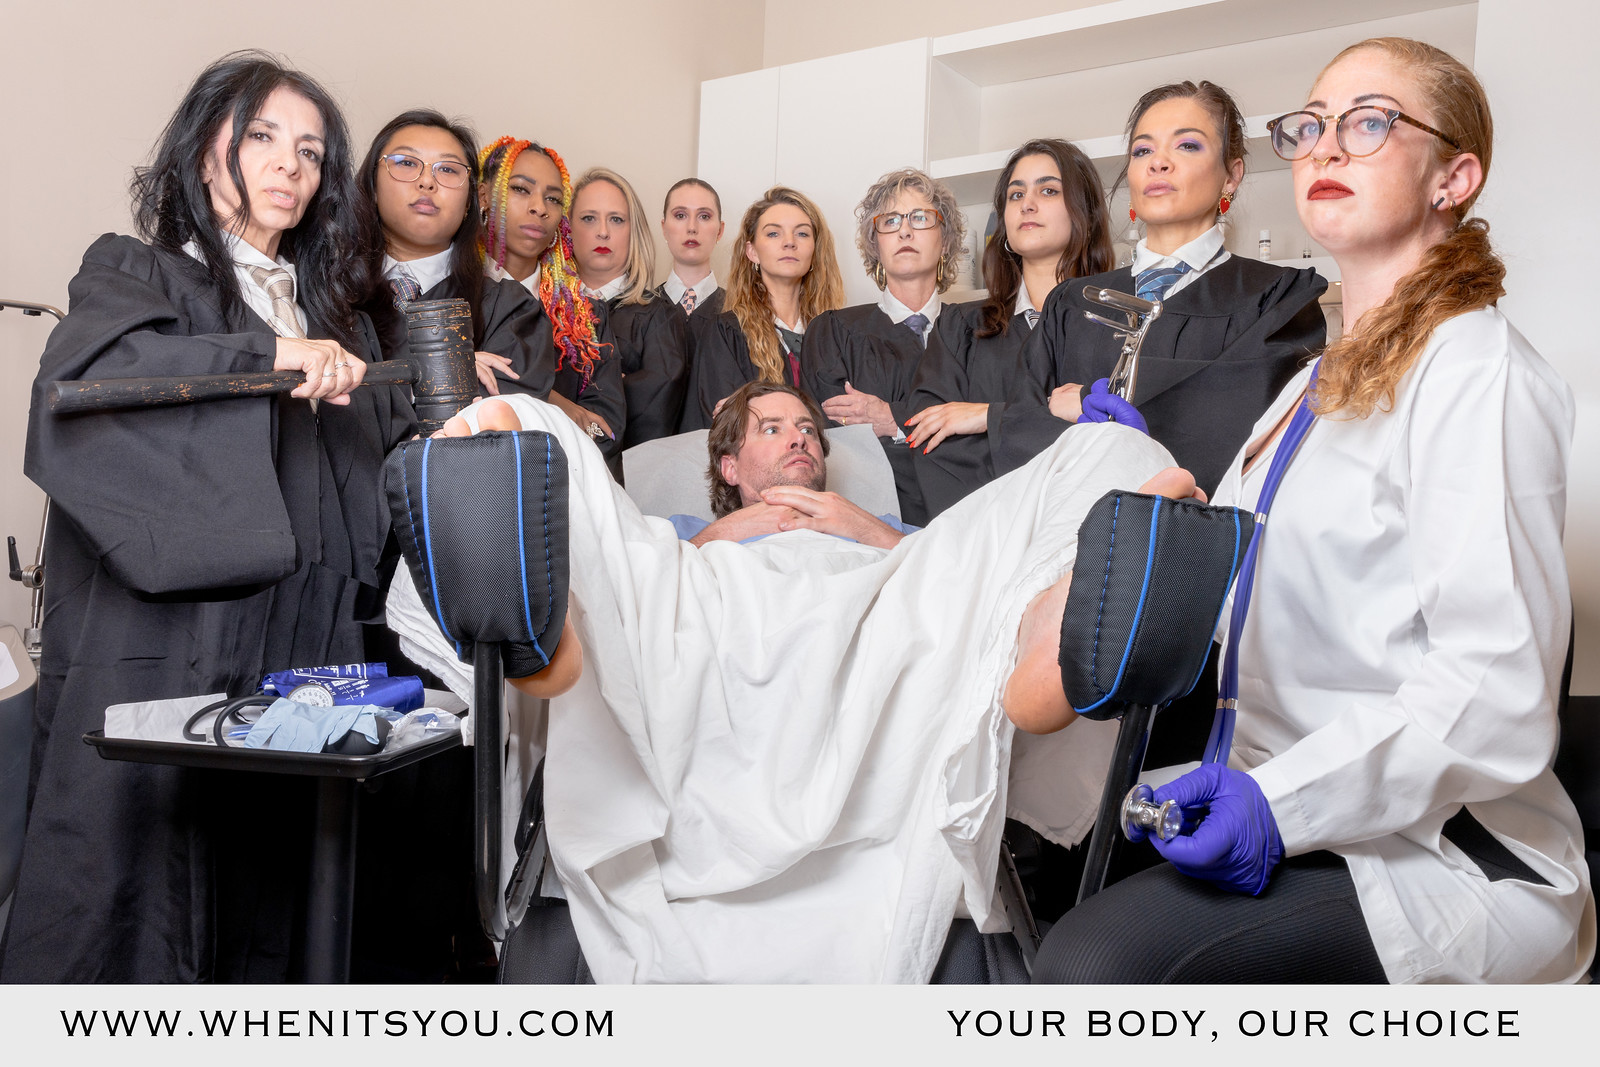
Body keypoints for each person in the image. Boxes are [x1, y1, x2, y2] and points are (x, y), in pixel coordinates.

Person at [1031, 37, 1594, 984]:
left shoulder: (1475, 372)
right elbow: (1259, 585)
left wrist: (1276, 804)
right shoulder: (1310, 384)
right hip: (1295, 801)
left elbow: (1493, 694)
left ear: (1455, 175)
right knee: (1059, 894)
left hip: (1435, 852)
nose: (1326, 148)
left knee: (1092, 966)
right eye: (1312, 126)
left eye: (1369, 123)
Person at [393, 382, 1194, 982]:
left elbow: (952, 568)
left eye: (809, 428)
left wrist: (875, 534)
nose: (801, 438)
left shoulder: (903, 539)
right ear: (730, 464)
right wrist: (713, 538)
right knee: (525, 423)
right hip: (692, 616)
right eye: (771, 427)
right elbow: (638, 567)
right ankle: (545, 632)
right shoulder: (667, 541)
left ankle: (1039, 641)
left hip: (889, 617)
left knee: (1120, 449)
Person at [3, 51, 415, 983]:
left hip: (300, 650)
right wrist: (271, 357)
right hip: (159, 641)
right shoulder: (135, 275)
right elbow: (84, 396)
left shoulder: (342, 323)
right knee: (129, 896)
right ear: (202, 152)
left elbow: (364, 504)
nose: (290, 166)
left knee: (276, 899)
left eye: (311, 152)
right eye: (261, 136)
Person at [994, 81, 1329, 499]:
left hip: (1182, 544)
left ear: (1232, 174)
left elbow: (1232, 428)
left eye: (1187, 146)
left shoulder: (1278, 299)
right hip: (1059, 537)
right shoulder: (1073, 303)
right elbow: (1021, 431)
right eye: (1142, 151)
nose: (1159, 164)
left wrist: (1085, 404)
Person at [904, 139, 1115, 518]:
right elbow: (930, 438)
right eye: (1016, 194)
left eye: (1048, 190)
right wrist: (1047, 422)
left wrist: (989, 417)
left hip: (1084, 541)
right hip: (976, 538)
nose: (1027, 204)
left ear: (1084, 213)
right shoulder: (958, 327)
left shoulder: (1117, 329)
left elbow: (1111, 445)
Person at [803, 168, 967, 526]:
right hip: (869, 523)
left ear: (946, 239)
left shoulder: (979, 331)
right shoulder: (833, 332)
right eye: (890, 221)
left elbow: (992, 435)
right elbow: (843, 448)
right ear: (875, 244)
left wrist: (893, 419)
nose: (905, 230)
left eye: (920, 218)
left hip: (969, 522)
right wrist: (942, 424)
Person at [357, 109, 553, 400]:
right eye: (406, 163)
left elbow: (492, 431)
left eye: (448, 169)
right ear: (372, 187)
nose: (427, 182)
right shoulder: (327, 292)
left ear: (470, 203)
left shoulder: (510, 311)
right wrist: (443, 370)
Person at [479, 136, 623, 468]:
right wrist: (555, 405)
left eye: (553, 198)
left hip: (571, 493)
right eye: (520, 189)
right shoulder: (455, 296)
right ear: (485, 196)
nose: (539, 208)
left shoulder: (586, 318)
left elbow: (603, 430)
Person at [679, 187, 845, 431]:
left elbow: (849, 424)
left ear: (815, 251)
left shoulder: (838, 335)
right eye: (773, 234)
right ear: (752, 252)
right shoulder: (726, 334)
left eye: (802, 233)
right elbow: (725, 433)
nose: (789, 243)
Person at [571, 167, 691, 449]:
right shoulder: (544, 308)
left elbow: (656, 407)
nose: (602, 232)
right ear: (568, 227)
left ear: (632, 230)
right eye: (589, 218)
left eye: (616, 220)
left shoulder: (658, 315)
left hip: (628, 474)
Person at [656, 178, 726, 320]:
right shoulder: (639, 311)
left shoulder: (740, 313)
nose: (692, 228)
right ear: (664, 228)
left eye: (704, 216)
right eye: (680, 215)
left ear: (720, 231)